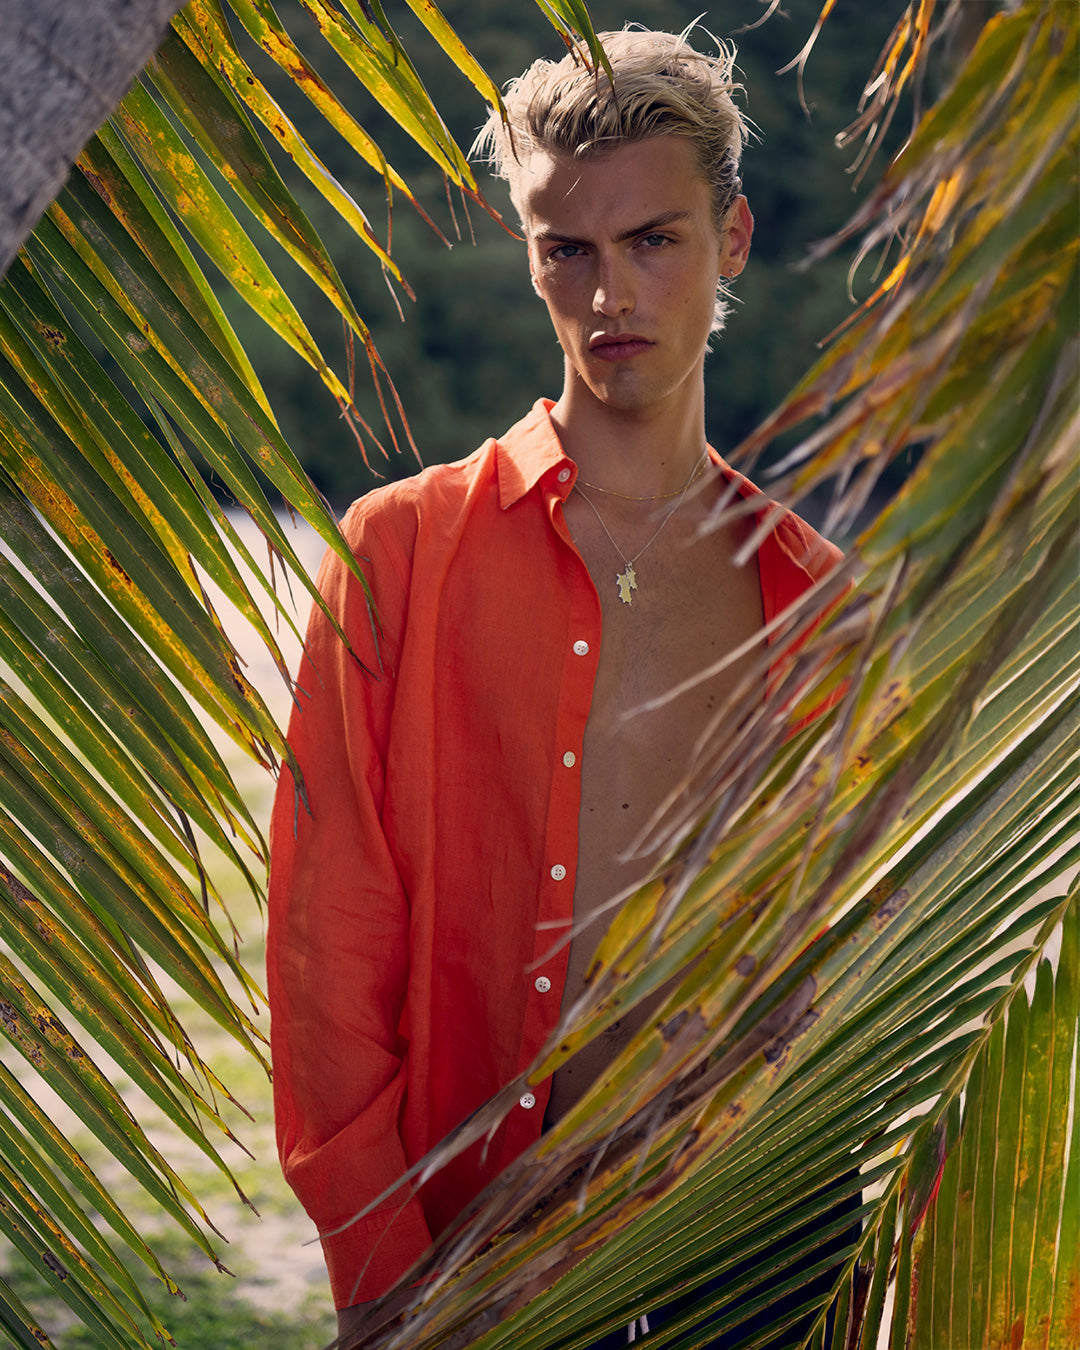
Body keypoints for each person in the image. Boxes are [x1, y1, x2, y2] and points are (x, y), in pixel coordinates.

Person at [267, 26, 844, 1344]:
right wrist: (380, 1276)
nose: (610, 295)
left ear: (733, 238)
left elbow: (845, 959)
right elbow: (326, 945)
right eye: (567, 250)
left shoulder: (815, 598)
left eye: (654, 240)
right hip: (471, 1255)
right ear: (527, 255)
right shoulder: (401, 551)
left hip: (756, 1254)